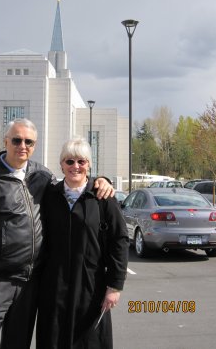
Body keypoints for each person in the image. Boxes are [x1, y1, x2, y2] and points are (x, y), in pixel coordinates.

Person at [0, 118, 113, 349]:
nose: (23, 146)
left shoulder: (41, 175)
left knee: (17, 344)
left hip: (30, 284)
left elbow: (72, 182)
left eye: (29, 142)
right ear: (5, 141)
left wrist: (100, 181)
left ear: (35, 145)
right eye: (17, 140)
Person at [36, 137, 129, 349]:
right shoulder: (49, 195)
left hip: (91, 286)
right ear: (61, 164)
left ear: (89, 164)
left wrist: (115, 286)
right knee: (54, 339)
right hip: (53, 285)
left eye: (81, 161)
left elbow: (119, 241)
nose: (75, 166)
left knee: (89, 342)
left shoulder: (102, 197)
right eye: (69, 161)